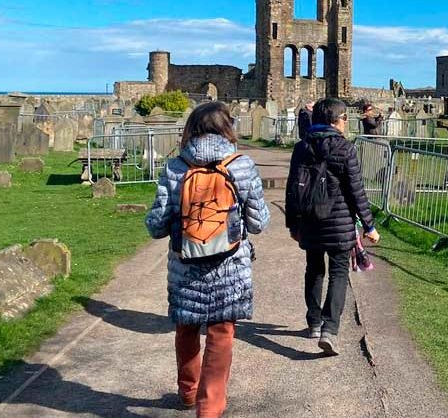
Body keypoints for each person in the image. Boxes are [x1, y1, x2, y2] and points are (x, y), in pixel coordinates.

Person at [145, 102, 270, 418]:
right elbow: (259, 223)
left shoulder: (176, 167)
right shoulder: (241, 165)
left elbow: (156, 225)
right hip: (228, 267)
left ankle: (188, 392)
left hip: (185, 267)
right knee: (221, 333)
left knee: (186, 329)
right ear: (228, 128)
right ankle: (210, 407)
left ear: (191, 128)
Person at [286, 98, 380, 355]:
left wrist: (292, 223)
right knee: (339, 273)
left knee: (314, 270)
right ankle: (329, 329)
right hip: (339, 222)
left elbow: (292, 188)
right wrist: (369, 226)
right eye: (344, 119)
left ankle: (314, 322)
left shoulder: (302, 147)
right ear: (337, 121)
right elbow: (356, 190)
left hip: (309, 220)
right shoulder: (345, 148)